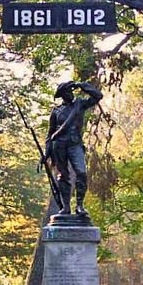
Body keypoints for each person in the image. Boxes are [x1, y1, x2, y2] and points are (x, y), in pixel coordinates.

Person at [43, 81, 103, 215]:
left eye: (72, 91)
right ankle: (66, 207)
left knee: (81, 173)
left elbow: (98, 96)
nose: (71, 93)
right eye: (68, 91)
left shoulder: (80, 104)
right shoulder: (56, 111)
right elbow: (50, 134)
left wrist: (82, 85)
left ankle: (80, 206)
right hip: (59, 146)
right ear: (63, 94)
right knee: (63, 176)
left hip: (75, 144)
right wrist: (46, 153)